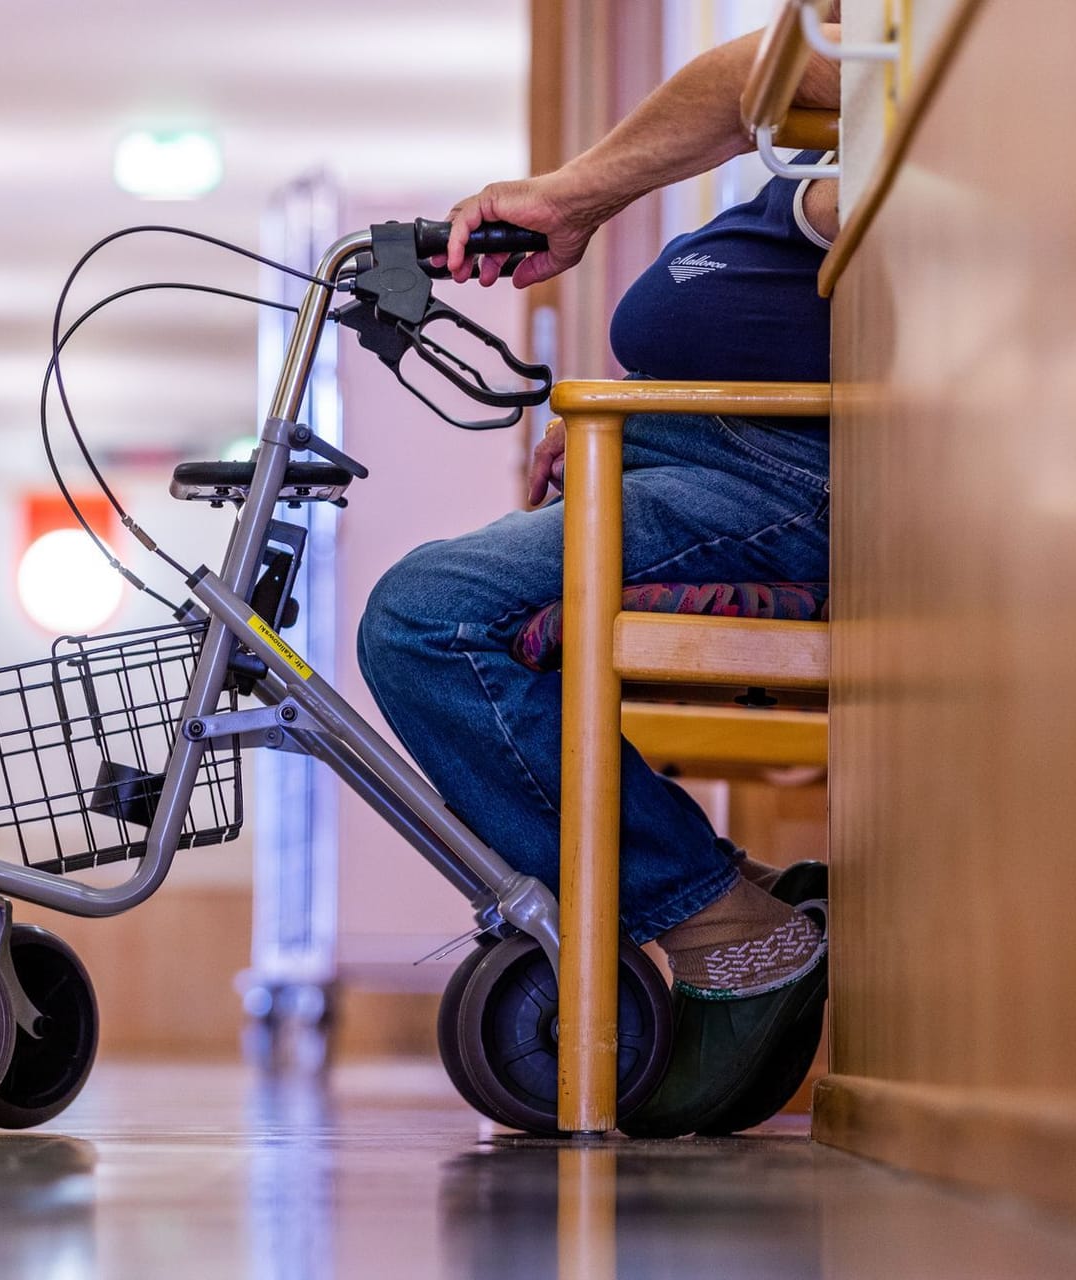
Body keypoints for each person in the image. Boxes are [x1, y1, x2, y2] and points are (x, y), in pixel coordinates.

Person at [356, 17, 843, 1138]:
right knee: (434, 607)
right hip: (685, 455)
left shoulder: (881, 151)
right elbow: (751, 76)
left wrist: (643, 418)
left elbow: (821, 116)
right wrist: (574, 200)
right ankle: (724, 903)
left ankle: (726, 922)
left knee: (430, 618)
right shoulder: (821, 110)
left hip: (771, 478)